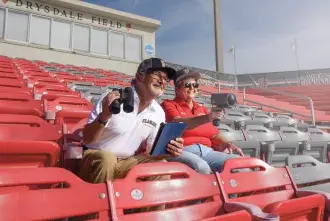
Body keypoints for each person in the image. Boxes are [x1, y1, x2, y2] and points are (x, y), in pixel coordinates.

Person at [79, 58, 184, 184]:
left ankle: (148, 204)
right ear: (139, 77)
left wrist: (169, 151)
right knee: (107, 159)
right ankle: (101, 203)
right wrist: (105, 115)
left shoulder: (158, 112)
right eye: (156, 74)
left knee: (162, 166)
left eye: (166, 79)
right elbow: (87, 139)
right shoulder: (113, 98)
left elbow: (150, 153)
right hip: (95, 156)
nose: (162, 81)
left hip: (127, 161)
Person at [160, 68, 244, 174]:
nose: (192, 88)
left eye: (195, 85)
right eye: (187, 85)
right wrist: (207, 118)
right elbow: (179, 123)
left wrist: (227, 143)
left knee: (239, 164)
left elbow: (214, 134)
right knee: (201, 167)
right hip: (181, 150)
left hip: (207, 151)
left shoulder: (202, 108)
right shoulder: (168, 104)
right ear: (177, 88)